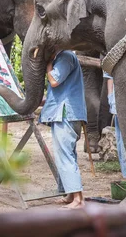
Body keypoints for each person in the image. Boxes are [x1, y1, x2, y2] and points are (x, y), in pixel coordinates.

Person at [39, 50, 87, 209]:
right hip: (67, 113)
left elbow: (54, 81)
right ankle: (70, 194)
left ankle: (78, 200)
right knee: (68, 154)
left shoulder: (65, 57)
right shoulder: (64, 57)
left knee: (65, 155)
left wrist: (48, 65)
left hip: (66, 114)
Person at [103, 72, 126, 179]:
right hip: (118, 102)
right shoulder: (114, 55)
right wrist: (110, 97)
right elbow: (109, 76)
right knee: (121, 140)